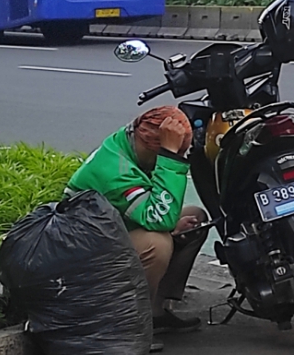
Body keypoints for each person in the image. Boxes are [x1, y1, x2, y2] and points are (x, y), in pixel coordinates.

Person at [66, 105, 209, 353]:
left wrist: (169, 224)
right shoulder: (116, 171)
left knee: (195, 218)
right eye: (165, 155)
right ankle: (127, 328)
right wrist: (169, 158)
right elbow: (160, 218)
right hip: (82, 256)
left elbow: (139, 213)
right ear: (152, 147)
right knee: (157, 244)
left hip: (111, 231)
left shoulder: (131, 143)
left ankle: (154, 312)